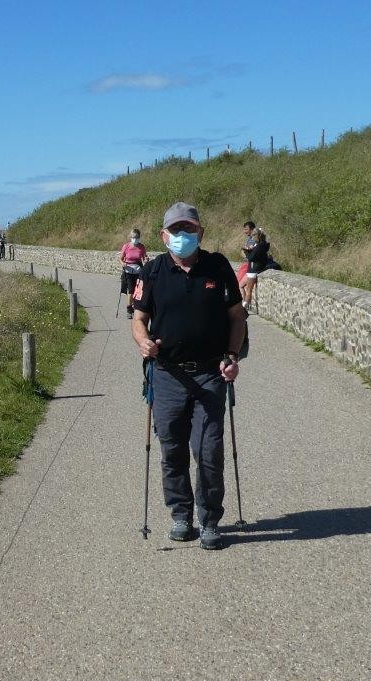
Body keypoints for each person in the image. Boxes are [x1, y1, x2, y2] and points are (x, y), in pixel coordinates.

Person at [131, 201, 247, 550]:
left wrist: (231, 356)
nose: (183, 236)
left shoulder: (218, 266)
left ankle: (209, 520)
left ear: (201, 233)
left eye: (189, 229)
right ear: (163, 235)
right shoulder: (150, 272)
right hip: (167, 375)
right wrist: (144, 343)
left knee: (209, 450)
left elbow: (237, 317)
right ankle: (181, 514)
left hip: (211, 374)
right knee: (173, 449)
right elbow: (138, 320)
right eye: (176, 230)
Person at [239, 223, 271, 310]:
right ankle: (245, 306)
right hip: (253, 269)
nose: (252, 237)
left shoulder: (259, 246)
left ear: (257, 236)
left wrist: (246, 251)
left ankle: (244, 306)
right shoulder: (261, 245)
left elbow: (252, 257)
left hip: (253, 270)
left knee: (249, 290)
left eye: (253, 235)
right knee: (246, 288)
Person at [118, 228, 148, 319]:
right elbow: (120, 258)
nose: (135, 239)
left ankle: (136, 306)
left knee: (138, 290)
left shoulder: (141, 247)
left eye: (137, 237)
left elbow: (144, 257)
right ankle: (129, 309)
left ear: (139, 237)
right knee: (131, 291)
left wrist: (146, 260)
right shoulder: (126, 246)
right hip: (128, 270)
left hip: (138, 270)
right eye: (134, 237)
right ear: (131, 237)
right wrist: (122, 263)